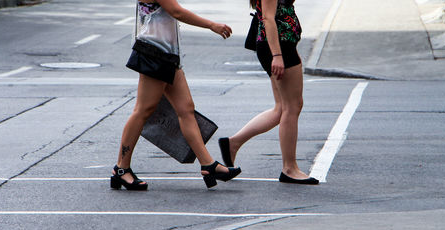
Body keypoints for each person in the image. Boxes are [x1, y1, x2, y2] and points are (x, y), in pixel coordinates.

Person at [111, 0, 241, 191]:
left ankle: (209, 165)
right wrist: (212, 25)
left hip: (167, 53)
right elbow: (176, 12)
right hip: (153, 52)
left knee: (186, 109)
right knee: (142, 111)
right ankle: (121, 169)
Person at [218, 0, 318, 184]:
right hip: (278, 47)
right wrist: (277, 56)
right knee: (292, 107)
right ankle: (289, 168)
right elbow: (268, 18)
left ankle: (233, 143)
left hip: (280, 45)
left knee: (282, 108)